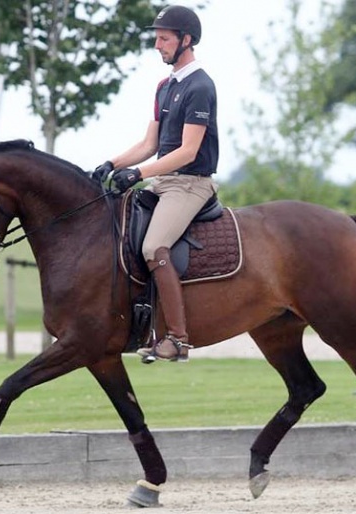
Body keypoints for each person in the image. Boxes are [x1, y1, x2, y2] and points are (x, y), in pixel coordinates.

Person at [93, 5, 218, 363]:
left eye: (164, 38)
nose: (157, 45)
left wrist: (140, 174)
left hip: (190, 184)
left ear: (186, 40)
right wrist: (112, 163)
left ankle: (178, 339)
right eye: (156, 37)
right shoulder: (165, 86)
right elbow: (150, 144)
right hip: (163, 181)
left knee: (153, 247)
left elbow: (188, 151)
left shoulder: (200, 86)